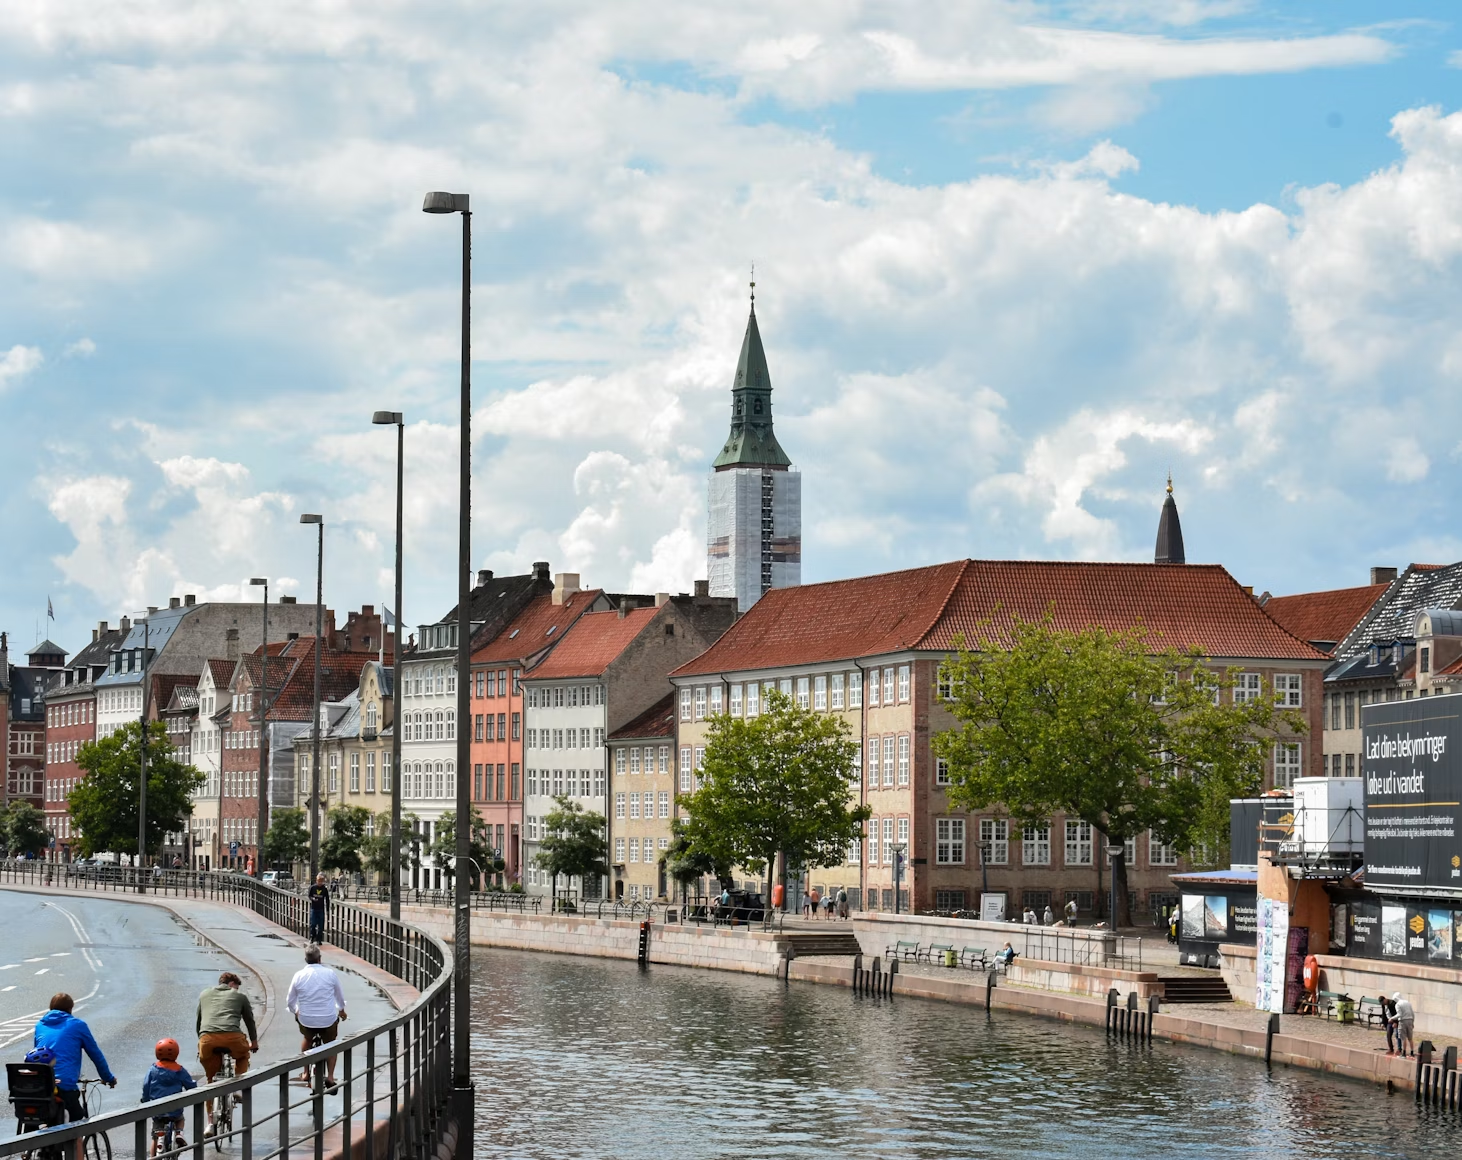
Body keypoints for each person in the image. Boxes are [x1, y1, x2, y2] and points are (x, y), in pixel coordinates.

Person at [32, 993, 117, 1124]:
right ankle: (75, 1144)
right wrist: (108, 1078)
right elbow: (95, 1055)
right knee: (77, 1121)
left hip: (41, 1085)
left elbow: (37, 1056)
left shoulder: (40, 1026)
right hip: (64, 1085)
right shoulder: (78, 1025)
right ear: (70, 1009)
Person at [196, 971, 259, 1135]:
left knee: (211, 1081)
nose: (236, 990)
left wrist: (201, 1042)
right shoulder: (240, 997)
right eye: (236, 988)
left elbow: (199, 1021)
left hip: (207, 1039)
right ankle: (237, 1087)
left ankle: (210, 1123)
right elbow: (249, 1020)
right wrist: (254, 1041)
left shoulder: (204, 994)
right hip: (232, 1038)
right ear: (232, 984)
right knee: (244, 1055)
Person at [286, 944, 348, 1091]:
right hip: (327, 1019)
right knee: (331, 1043)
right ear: (320, 959)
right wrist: (342, 1011)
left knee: (307, 1038)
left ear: (306, 959)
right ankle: (331, 1077)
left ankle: (306, 1073)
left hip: (306, 1019)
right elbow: (340, 997)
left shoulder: (298, 975)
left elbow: (290, 1001)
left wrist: (296, 1011)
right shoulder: (330, 974)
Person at [141, 1038, 196, 1154]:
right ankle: (179, 1133)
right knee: (180, 1119)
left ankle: (152, 1157)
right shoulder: (180, 1070)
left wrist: (145, 1100)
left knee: (155, 1137)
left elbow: (146, 1086)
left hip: (157, 1109)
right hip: (174, 1109)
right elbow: (190, 1085)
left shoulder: (152, 1070)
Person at [307, 872, 330, 944]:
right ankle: (312, 937)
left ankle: (319, 939)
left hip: (321, 909)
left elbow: (327, 899)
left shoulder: (324, 889)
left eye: (321, 881)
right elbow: (309, 895)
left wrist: (327, 910)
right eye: (319, 881)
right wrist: (313, 899)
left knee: (321, 925)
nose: (320, 883)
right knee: (313, 924)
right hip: (314, 908)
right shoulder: (312, 887)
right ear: (316, 881)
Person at [1394, 992, 1416, 1057]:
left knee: (1403, 1038)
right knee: (1410, 1038)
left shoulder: (1398, 1004)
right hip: (1410, 1020)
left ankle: (1404, 1053)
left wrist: (1392, 1018)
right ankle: (1412, 1052)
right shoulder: (1408, 1002)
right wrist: (1412, 1022)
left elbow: (1399, 1014)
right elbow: (1412, 1013)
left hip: (1403, 1021)